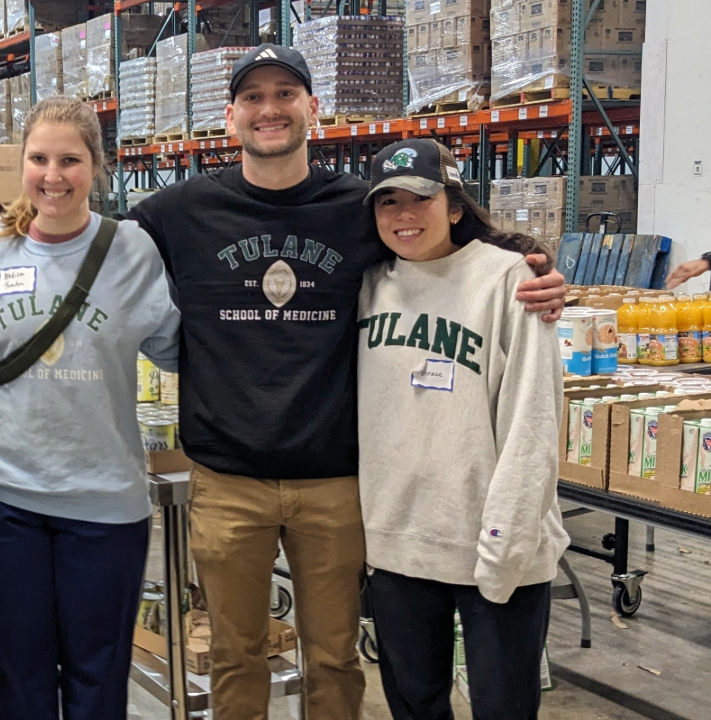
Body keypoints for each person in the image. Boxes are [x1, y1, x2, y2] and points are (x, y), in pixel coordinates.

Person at [119, 47, 567, 720]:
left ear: (313, 109)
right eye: (254, 97)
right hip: (227, 480)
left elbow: (442, 242)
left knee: (333, 657)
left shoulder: (356, 208)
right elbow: (84, 252)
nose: (270, 108)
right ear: (230, 114)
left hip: (336, 483)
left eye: (286, 93)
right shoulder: (178, 212)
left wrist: (532, 267)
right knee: (236, 656)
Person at [0, 95, 181, 720]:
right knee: (19, 676)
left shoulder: (132, 252)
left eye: (70, 160)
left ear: (98, 167)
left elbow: (176, 347)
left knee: (98, 678)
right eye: (39, 158)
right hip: (3, 498)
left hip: (104, 503)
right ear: (21, 163)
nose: (53, 176)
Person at [358, 139, 569, 719]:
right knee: (416, 705)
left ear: (453, 205)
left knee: (504, 706)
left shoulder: (510, 281)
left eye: (420, 199)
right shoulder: (368, 286)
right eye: (388, 202)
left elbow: (533, 419)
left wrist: (506, 544)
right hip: (400, 542)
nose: (403, 216)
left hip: (496, 543)